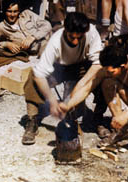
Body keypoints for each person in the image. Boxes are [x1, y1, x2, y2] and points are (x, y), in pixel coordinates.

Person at [21, 13, 102, 145]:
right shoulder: (55, 41)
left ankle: (97, 119)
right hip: (60, 68)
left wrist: (81, 84)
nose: (75, 41)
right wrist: (52, 101)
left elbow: (98, 63)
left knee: (104, 77)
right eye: (72, 37)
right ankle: (32, 119)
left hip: (82, 66)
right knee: (32, 78)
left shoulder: (91, 32)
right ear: (65, 29)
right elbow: (39, 74)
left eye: (79, 38)